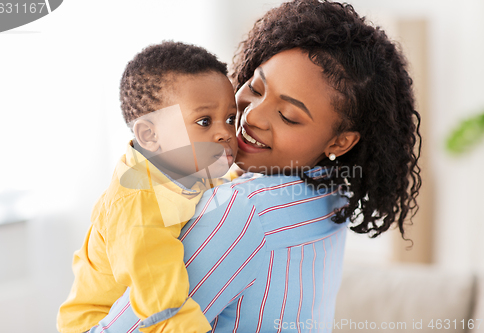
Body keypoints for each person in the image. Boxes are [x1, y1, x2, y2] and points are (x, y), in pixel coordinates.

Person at [86, 0, 422, 332]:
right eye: (256, 88)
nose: (251, 116)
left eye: (289, 116)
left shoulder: (242, 210)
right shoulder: (331, 190)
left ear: (339, 142)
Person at [57, 41, 239, 333]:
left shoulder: (189, 163)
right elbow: (159, 298)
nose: (225, 133)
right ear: (150, 135)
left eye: (230, 119)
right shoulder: (137, 200)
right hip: (96, 324)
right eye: (204, 121)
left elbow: (221, 194)